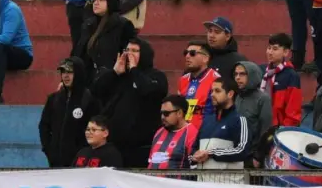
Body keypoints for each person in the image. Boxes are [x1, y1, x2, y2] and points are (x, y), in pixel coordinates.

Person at [90, 38, 169, 167]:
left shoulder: (156, 76)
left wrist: (134, 70)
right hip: (114, 145)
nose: (129, 54)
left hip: (141, 146)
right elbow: (97, 90)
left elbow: (147, 90)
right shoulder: (120, 76)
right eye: (126, 50)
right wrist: (114, 72)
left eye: (134, 51)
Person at [38, 57, 99, 168]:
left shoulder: (89, 100)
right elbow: (44, 126)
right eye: (63, 72)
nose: (65, 76)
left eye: (70, 72)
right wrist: (48, 149)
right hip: (55, 162)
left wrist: (84, 153)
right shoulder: (53, 99)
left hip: (80, 163)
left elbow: (95, 129)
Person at [191, 77, 252, 177]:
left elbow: (242, 150)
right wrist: (194, 156)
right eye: (211, 91)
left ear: (230, 94)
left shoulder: (240, 120)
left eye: (217, 91)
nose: (212, 94)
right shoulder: (207, 120)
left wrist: (211, 153)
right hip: (203, 186)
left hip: (227, 187)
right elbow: (193, 149)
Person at [72, 0, 136, 74]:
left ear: (111, 2)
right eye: (94, 0)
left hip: (113, 78)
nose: (96, 3)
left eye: (101, 0)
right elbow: (78, 52)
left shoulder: (123, 25)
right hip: (89, 78)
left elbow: (129, 56)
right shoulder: (88, 25)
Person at [233, 61, 272, 164]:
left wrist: (258, 156)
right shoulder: (237, 97)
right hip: (235, 154)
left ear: (252, 75)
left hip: (252, 157)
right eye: (236, 74)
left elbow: (266, 130)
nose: (237, 77)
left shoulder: (263, 99)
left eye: (242, 74)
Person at [261, 33, 303, 128]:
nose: (270, 52)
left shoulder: (291, 76)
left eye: (275, 49)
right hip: (263, 127)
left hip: (280, 130)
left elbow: (293, 112)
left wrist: (282, 132)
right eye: (269, 48)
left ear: (286, 52)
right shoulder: (264, 73)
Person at [149, 95, 201, 170]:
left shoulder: (191, 133)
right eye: (161, 113)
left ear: (179, 113)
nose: (162, 117)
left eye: (166, 113)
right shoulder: (159, 132)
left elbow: (194, 167)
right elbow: (150, 162)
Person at [179, 41, 222, 130]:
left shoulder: (216, 80)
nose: (187, 56)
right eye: (185, 53)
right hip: (185, 133)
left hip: (207, 134)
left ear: (205, 58)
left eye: (192, 53)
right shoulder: (183, 80)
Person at [204, 17, 248, 81]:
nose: (211, 35)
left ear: (227, 36)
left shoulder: (239, 60)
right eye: (210, 31)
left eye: (217, 32)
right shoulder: (201, 56)